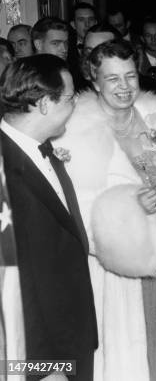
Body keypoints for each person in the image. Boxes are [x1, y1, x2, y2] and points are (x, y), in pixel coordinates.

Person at [57, 39, 156, 381]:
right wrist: (132, 207)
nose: (124, 87)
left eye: (130, 76)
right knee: (121, 339)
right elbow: (77, 204)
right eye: (113, 79)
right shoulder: (74, 132)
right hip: (113, 258)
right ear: (94, 80)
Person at [0, 55, 97, 380]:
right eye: (69, 99)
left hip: (72, 333)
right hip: (42, 354)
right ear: (43, 103)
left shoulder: (42, 147)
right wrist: (41, 368)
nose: (75, 106)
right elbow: (10, 278)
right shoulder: (4, 171)